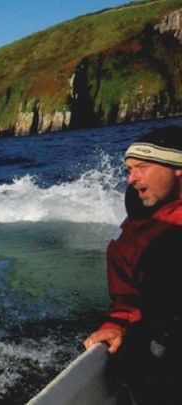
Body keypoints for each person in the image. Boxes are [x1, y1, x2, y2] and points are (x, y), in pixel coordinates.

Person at [83, 125, 182, 404]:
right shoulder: (136, 226)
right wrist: (116, 326)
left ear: (177, 168)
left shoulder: (171, 237)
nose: (131, 178)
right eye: (129, 169)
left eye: (142, 167)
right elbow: (127, 298)